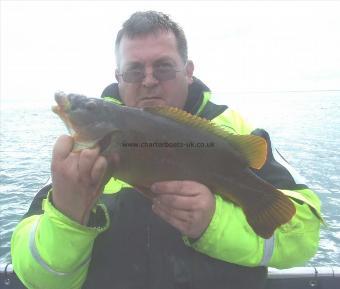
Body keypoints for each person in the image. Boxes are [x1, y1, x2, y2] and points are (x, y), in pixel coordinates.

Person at [11, 11, 322, 289]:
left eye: (163, 68)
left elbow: (304, 234)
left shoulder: (238, 129)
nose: (148, 81)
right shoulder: (77, 161)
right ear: (119, 77)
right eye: (134, 71)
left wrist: (214, 220)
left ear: (187, 71)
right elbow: (37, 278)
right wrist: (67, 215)